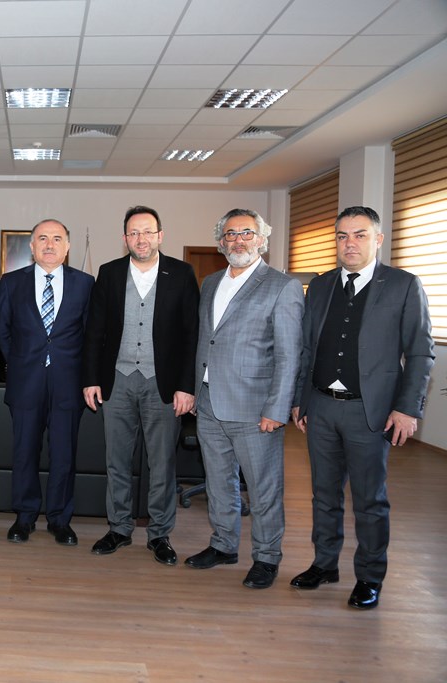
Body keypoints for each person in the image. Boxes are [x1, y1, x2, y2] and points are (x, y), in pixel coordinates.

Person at [290, 206, 433, 610]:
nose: (349, 243)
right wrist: (300, 399)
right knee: (323, 494)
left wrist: (407, 409)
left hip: (369, 412)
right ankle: (324, 564)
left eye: (359, 235)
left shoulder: (403, 285)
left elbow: (420, 352)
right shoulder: (320, 286)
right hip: (321, 407)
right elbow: (306, 348)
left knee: (370, 500)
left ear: (378, 239)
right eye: (342, 235)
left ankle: (370, 577)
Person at [185, 208, 303, 589]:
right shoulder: (210, 283)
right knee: (219, 482)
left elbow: (289, 355)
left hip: (255, 409)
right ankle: (223, 544)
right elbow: (207, 339)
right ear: (221, 243)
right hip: (209, 402)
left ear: (262, 239)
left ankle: (267, 557)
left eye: (247, 233)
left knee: (263, 488)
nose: (239, 240)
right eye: (231, 234)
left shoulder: (282, 286)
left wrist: (277, 409)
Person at [82, 206, 199, 564]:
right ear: (125, 238)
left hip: (163, 385)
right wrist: (91, 379)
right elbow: (94, 331)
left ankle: (160, 534)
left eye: (147, 231)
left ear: (160, 235)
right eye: (134, 232)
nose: (141, 238)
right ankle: (119, 528)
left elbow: (191, 334)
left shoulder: (181, 273)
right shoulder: (109, 273)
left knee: (162, 463)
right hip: (117, 381)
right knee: (116, 461)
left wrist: (186, 386)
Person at [0, 219, 93, 545]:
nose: (50, 245)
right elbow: (3, 330)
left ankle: (59, 520)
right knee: (24, 452)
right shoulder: (11, 282)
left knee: (64, 455)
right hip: (26, 381)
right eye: (42, 239)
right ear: (32, 246)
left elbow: (91, 334)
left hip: (69, 383)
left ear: (68, 246)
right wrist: (21, 362)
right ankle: (24, 517)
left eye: (57, 239)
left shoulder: (86, 283)